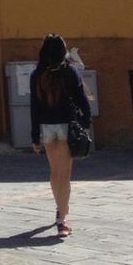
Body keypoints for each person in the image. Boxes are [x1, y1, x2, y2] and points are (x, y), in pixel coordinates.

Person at [30, 33, 91, 237]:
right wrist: (86, 122)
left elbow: (34, 106)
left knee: (55, 172)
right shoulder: (70, 72)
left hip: (47, 128)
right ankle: (62, 219)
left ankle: (60, 210)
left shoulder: (36, 74)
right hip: (67, 126)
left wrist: (34, 136)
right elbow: (81, 99)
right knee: (65, 175)